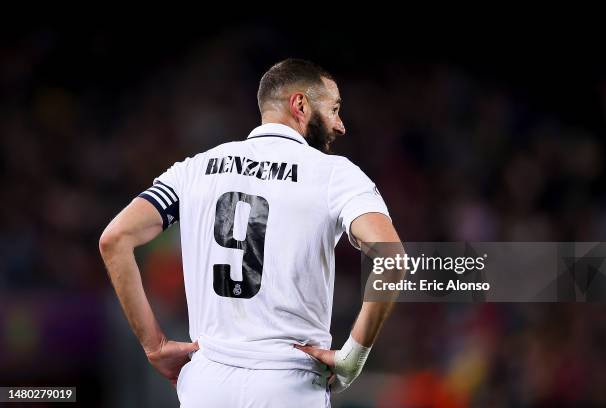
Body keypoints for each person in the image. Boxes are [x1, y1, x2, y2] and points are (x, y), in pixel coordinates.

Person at [99, 58, 401, 407]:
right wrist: (354, 355)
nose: (340, 124)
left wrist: (154, 345)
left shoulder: (194, 170)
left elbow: (114, 239)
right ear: (300, 105)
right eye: (333, 109)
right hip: (290, 383)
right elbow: (390, 256)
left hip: (207, 382)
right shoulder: (335, 175)